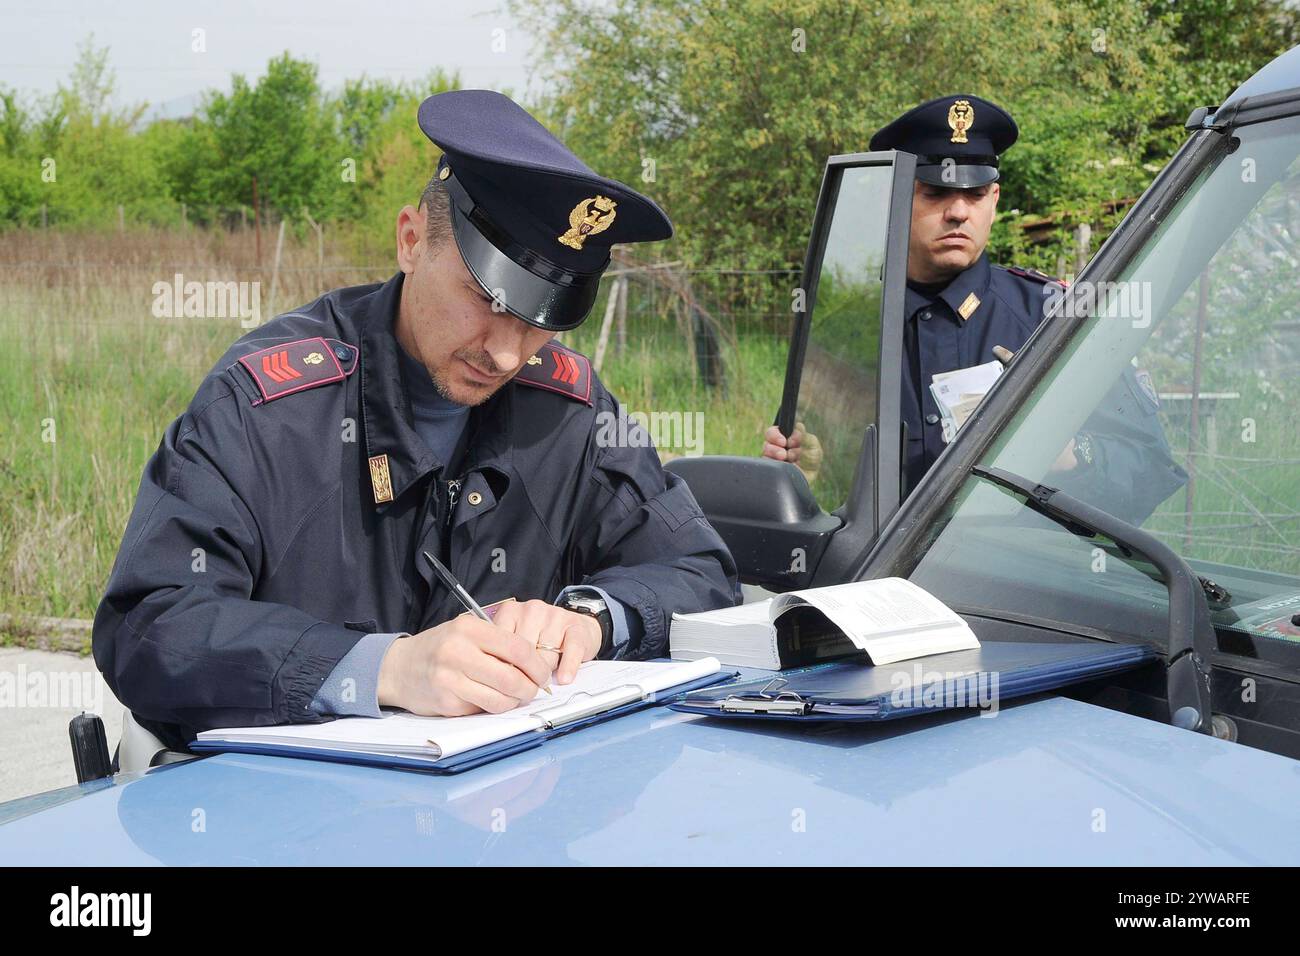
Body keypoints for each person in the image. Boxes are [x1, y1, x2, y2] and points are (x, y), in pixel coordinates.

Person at [93, 90, 740, 750]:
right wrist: (386, 669)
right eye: (486, 299)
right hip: (285, 803)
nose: (506, 354)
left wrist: (591, 617)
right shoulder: (268, 409)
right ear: (410, 241)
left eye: (539, 322)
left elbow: (702, 572)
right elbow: (150, 626)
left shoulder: (570, 413)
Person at [763, 93, 1185, 523]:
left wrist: (1071, 454)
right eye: (935, 193)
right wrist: (801, 480)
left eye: (976, 193)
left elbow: (1151, 472)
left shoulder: (1055, 319)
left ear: (994, 199)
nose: (959, 212)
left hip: (1015, 564)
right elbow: (812, 495)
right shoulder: (844, 333)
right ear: (895, 197)